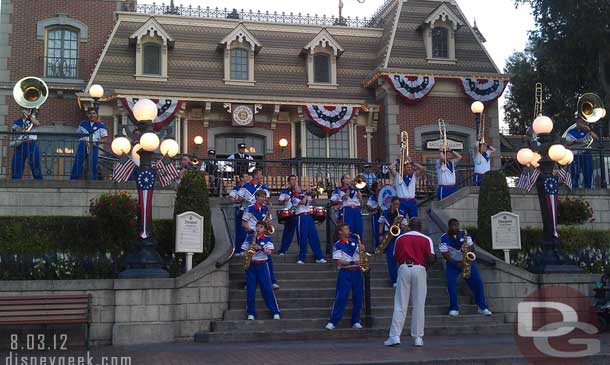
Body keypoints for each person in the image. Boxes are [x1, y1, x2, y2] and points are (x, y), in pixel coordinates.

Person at [384, 217, 436, 347]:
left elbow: (395, 256)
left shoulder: (400, 238)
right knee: (419, 305)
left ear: (409, 226)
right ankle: (418, 337)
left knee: (401, 304)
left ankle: (395, 336)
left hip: (404, 267)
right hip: (420, 268)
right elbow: (431, 258)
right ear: (420, 226)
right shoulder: (426, 239)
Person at [439, 218, 492, 317]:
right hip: (452, 264)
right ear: (449, 226)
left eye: (457, 225)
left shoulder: (464, 233)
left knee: (478, 282)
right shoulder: (443, 238)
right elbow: (445, 254)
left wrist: (467, 248)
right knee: (451, 285)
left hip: (467, 261)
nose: (456, 227)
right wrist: (456, 264)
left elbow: (472, 248)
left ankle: (482, 307)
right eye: (453, 225)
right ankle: (454, 308)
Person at [325, 223, 364, 330]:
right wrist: (353, 262)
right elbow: (339, 261)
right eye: (346, 229)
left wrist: (362, 250)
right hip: (345, 273)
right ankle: (333, 321)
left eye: (348, 228)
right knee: (341, 297)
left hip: (357, 272)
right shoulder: (337, 245)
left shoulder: (354, 242)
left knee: (358, 297)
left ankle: (356, 320)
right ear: (340, 232)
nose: (348, 231)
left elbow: (361, 255)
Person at [242, 220, 281, 320]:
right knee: (250, 290)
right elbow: (243, 252)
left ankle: (275, 311)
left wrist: (261, 248)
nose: (258, 229)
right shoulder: (249, 237)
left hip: (262, 265)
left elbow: (269, 252)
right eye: (257, 227)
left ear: (264, 229)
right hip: (251, 265)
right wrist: (248, 251)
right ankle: (251, 312)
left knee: (267, 289)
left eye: (261, 227)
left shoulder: (267, 239)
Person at [242, 190, 279, 289]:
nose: (264, 199)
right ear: (256, 197)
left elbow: (269, 224)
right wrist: (251, 231)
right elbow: (244, 223)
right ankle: (248, 282)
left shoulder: (266, 209)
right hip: (252, 235)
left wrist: (268, 223)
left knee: (268, 260)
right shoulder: (250, 209)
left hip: (263, 235)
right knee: (249, 259)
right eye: (262, 197)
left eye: (264, 197)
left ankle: (272, 281)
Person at [292, 185, 326, 264]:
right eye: (298, 187)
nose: (300, 188)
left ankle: (319, 257)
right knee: (302, 238)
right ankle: (301, 258)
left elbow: (314, 202)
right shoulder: (294, 198)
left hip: (309, 216)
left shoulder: (304, 195)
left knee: (314, 237)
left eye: (300, 187)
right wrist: (307, 194)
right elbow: (302, 202)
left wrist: (314, 195)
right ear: (294, 190)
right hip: (301, 217)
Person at [377, 197, 407, 288]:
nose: (397, 206)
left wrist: (402, 225)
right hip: (388, 236)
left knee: (401, 258)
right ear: (391, 204)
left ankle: (402, 279)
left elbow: (405, 226)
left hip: (399, 236)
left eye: (398, 204)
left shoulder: (401, 213)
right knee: (390, 258)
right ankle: (394, 280)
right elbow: (381, 223)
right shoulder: (385, 212)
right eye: (395, 204)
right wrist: (380, 234)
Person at [70, 108, 108, 180]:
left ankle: (92, 180)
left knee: (93, 163)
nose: (92, 115)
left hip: (93, 145)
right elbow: (77, 134)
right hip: (83, 144)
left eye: (94, 113)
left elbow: (105, 138)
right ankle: (74, 179)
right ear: (87, 115)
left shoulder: (101, 125)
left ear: (96, 115)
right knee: (78, 161)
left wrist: (97, 143)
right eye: (90, 113)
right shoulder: (82, 124)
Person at [10, 109, 42, 180]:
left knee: (35, 163)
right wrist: (19, 129)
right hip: (20, 145)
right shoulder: (17, 122)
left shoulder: (32, 120)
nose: (25, 111)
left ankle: (39, 181)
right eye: (24, 110)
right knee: (16, 164)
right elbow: (14, 129)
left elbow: (37, 123)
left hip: (32, 144)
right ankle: (15, 182)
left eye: (27, 110)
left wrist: (29, 115)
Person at [564, 122, 597, 189]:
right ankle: (574, 188)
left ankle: (588, 188)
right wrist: (575, 141)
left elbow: (596, 138)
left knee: (588, 172)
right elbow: (566, 143)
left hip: (586, 154)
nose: (583, 124)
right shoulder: (571, 131)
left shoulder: (587, 131)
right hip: (575, 155)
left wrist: (589, 130)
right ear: (577, 123)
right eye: (581, 122)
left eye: (584, 123)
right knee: (575, 172)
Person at [229, 172, 250, 255]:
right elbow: (232, 199)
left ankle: (246, 249)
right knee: (240, 231)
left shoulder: (250, 188)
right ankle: (238, 250)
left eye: (248, 176)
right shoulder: (236, 188)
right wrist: (241, 199)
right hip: (240, 210)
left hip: (249, 211)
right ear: (241, 178)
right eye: (246, 176)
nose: (248, 177)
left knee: (249, 230)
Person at [277, 175, 298, 255]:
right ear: (288, 181)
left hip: (298, 213)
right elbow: (279, 202)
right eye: (292, 179)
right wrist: (285, 200)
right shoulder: (285, 191)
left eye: (295, 179)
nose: (294, 181)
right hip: (289, 214)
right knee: (288, 233)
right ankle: (283, 250)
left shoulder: (299, 191)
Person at [366, 182, 381, 248]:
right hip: (376, 216)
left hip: (384, 215)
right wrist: (377, 208)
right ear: (375, 188)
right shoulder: (372, 197)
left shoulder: (383, 195)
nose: (380, 187)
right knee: (376, 233)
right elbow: (369, 208)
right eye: (379, 186)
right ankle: (377, 248)